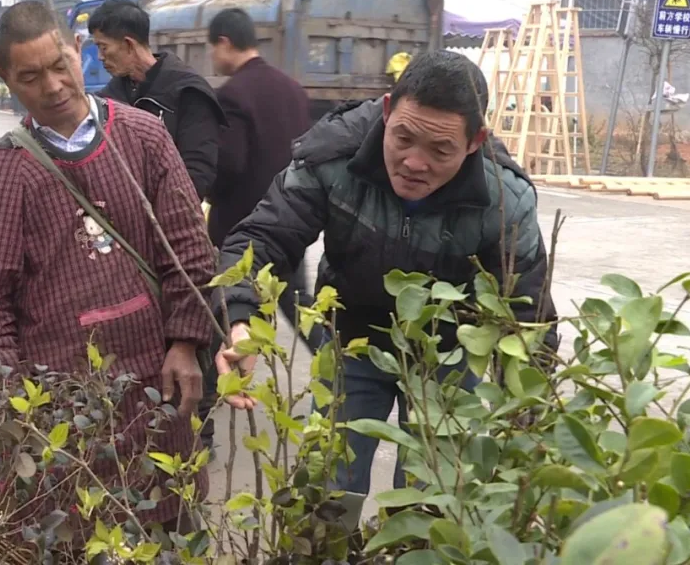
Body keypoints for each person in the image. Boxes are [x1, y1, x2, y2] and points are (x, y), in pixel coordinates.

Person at [213, 50, 559, 497]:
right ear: (387, 109)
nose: (415, 163)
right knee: (328, 492)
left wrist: (530, 419)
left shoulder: (504, 200)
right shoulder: (332, 156)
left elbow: (527, 314)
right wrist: (239, 321)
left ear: (475, 141)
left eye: (440, 149)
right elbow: (262, 238)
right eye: (403, 138)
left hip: (447, 359)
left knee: (432, 500)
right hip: (351, 343)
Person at [0, 0, 215, 532]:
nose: (52, 86)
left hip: (156, 389)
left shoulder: (144, 136)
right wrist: (16, 410)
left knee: (171, 525)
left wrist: (187, 344)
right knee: (79, 535)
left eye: (59, 65)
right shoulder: (5, 172)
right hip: (63, 410)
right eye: (30, 77)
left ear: (79, 51)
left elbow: (188, 251)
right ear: (5, 79)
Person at [196, 7, 315, 451]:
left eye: (213, 47)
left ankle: (205, 424)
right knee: (299, 307)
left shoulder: (233, 94)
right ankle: (342, 373)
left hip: (242, 236)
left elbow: (230, 165)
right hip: (292, 225)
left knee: (222, 321)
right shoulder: (291, 89)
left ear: (225, 42)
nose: (213, 56)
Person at [88, 0, 224, 200]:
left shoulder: (188, 93)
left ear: (128, 44)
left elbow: (197, 173)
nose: (99, 56)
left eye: (103, 47)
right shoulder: (109, 98)